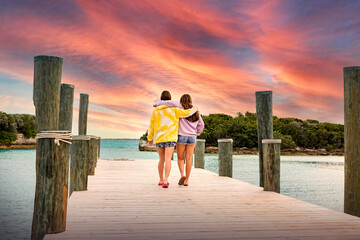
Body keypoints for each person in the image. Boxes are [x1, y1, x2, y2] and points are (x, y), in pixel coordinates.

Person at [147, 90, 198, 188]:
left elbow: (151, 126)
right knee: (168, 159)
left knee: (161, 159)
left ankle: (161, 180)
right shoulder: (175, 110)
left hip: (159, 138)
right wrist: (195, 108)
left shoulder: (156, 111)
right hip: (170, 138)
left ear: (161, 99)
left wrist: (150, 138)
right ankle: (166, 180)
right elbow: (187, 113)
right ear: (170, 99)